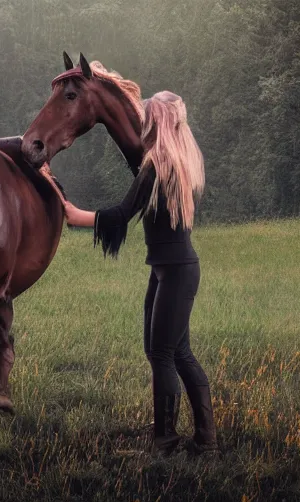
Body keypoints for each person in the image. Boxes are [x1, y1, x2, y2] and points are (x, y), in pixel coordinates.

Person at [64, 91, 217, 456]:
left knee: (167, 354)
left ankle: (167, 442)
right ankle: (201, 438)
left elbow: (121, 214)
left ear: (156, 122)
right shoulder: (174, 162)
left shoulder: (158, 165)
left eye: (147, 117)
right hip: (169, 270)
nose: (142, 123)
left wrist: (73, 214)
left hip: (177, 273)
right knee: (169, 352)